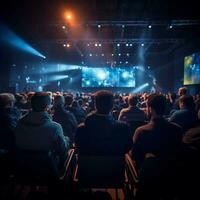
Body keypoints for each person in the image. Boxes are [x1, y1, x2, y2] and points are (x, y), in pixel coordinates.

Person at [15, 92, 69, 169]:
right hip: (47, 172)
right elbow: (62, 151)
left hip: (23, 170)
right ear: (47, 107)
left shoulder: (19, 124)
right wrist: (67, 140)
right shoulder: (55, 127)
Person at [75, 90, 132, 156]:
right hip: (115, 165)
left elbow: (78, 149)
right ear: (112, 106)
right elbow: (127, 148)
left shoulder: (81, 129)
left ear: (95, 105)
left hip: (88, 166)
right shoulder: (123, 128)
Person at [132, 94, 182, 169]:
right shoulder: (177, 129)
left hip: (148, 175)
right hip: (171, 173)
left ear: (150, 109)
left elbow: (135, 156)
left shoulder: (141, 131)